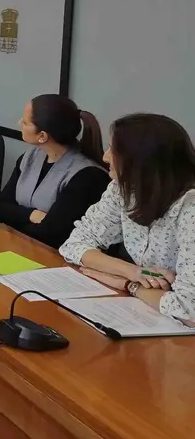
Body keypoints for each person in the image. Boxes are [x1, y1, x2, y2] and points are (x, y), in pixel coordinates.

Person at [60, 114, 195, 324]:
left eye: (113, 150)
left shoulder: (190, 208)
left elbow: (189, 310)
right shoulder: (123, 188)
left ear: (141, 161)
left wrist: (129, 285)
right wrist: (133, 272)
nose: (105, 157)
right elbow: (74, 245)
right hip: (152, 315)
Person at [0, 95, 109, 249]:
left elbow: (53, 233)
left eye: (25, 122)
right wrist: (32, 215)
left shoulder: (87, 176)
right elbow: (0, 206)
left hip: (54, 254)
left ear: (43, 136)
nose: (19, 123)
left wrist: (16, 219)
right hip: (21, 244)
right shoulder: (29, 157)